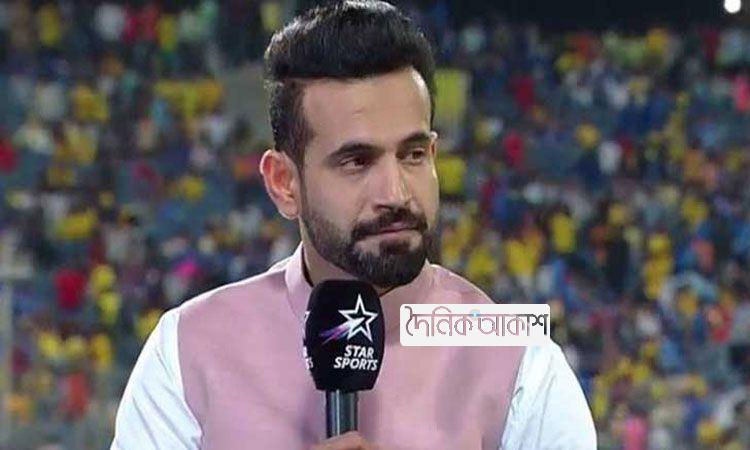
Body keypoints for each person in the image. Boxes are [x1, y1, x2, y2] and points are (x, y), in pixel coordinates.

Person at [110, 1, 596, 449]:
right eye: (356, 162)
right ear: (283, 183)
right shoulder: (187, 350)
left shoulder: (520, 358)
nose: (396, 193)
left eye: (412, 155)